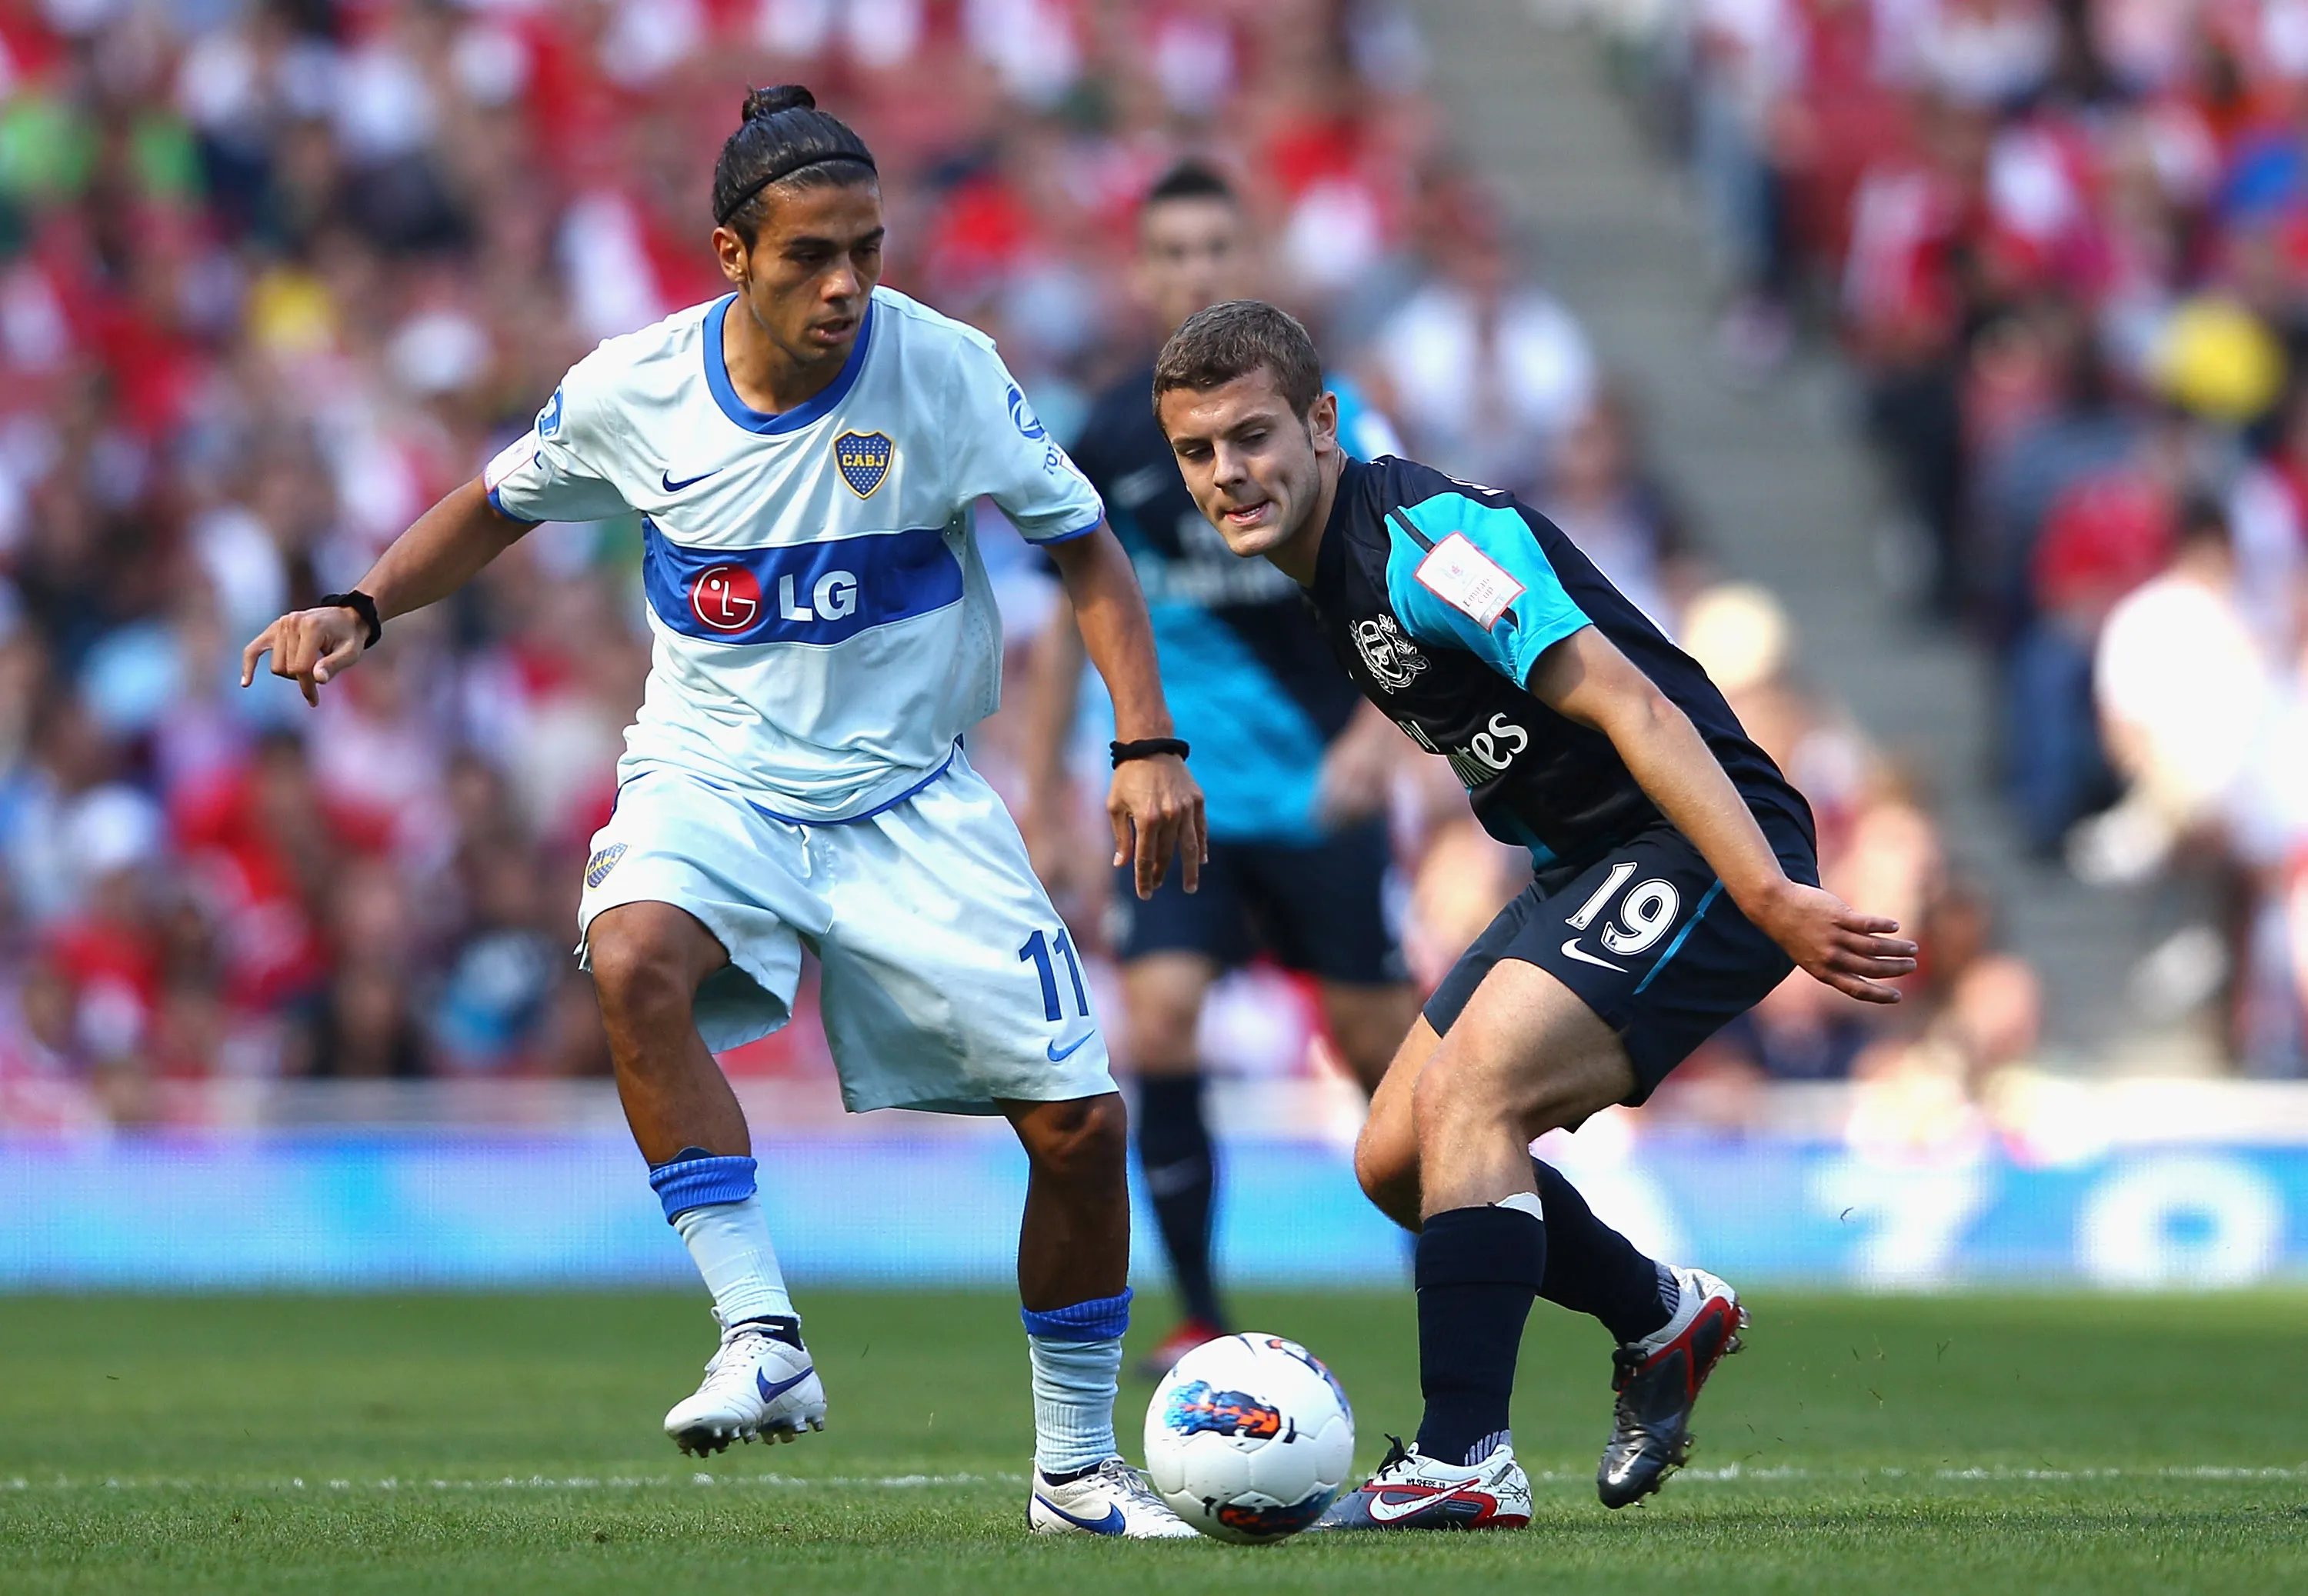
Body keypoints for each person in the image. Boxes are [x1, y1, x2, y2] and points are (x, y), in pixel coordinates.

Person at [240, 86, 1208, 1541]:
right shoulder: (635, 387)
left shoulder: (944, 372)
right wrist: (362, 605)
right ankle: (761, 1333)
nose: (848, 286)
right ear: (728, 255)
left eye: (868, 252)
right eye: (813, 256)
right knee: (632, 956)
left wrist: (1144, 739)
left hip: (911, 796)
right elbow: (497, 501)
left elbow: (1086, 549)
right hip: (716, 777)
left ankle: (1075, 1471)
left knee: (1077, 1129)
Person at [1151, 299, 1916, 1525]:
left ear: (1323, 424)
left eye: (1253, 437)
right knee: (1395, 1158)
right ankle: (1661, 1315)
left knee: (1472, 1100)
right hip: (1584, 862)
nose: (1229, 474)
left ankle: (1465, 1459)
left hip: (1701, 844)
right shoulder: (1321, 569)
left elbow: (1637, 711)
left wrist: (1773, 891)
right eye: (1200, 452)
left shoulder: (1427, 544)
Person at [1022, 162, 1419, 1374]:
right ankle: (1199, 1307)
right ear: (1143, 274)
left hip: (1316, 790)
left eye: (1216, 248)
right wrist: (1045, 794)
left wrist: (1371, 740)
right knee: (1163, 1017)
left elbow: (1413, 583)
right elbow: (1062, 624)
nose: (1195, 271)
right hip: (1178, 797)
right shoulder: (1103, 431)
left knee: (1383, 1057)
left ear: (1251, 262)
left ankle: (1449, 1271)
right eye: (1173, 253)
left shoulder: (1333, 414)